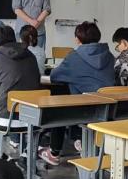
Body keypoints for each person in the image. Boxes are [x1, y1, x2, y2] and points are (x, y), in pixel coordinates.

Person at [42, 22, 115, 164]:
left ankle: (55, 152)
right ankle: (80, 139)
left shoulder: (74, 57)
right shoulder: (109, 55)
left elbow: (55, 76)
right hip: (109, 108)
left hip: (85, 110)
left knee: (58, 104)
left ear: (78, 39)